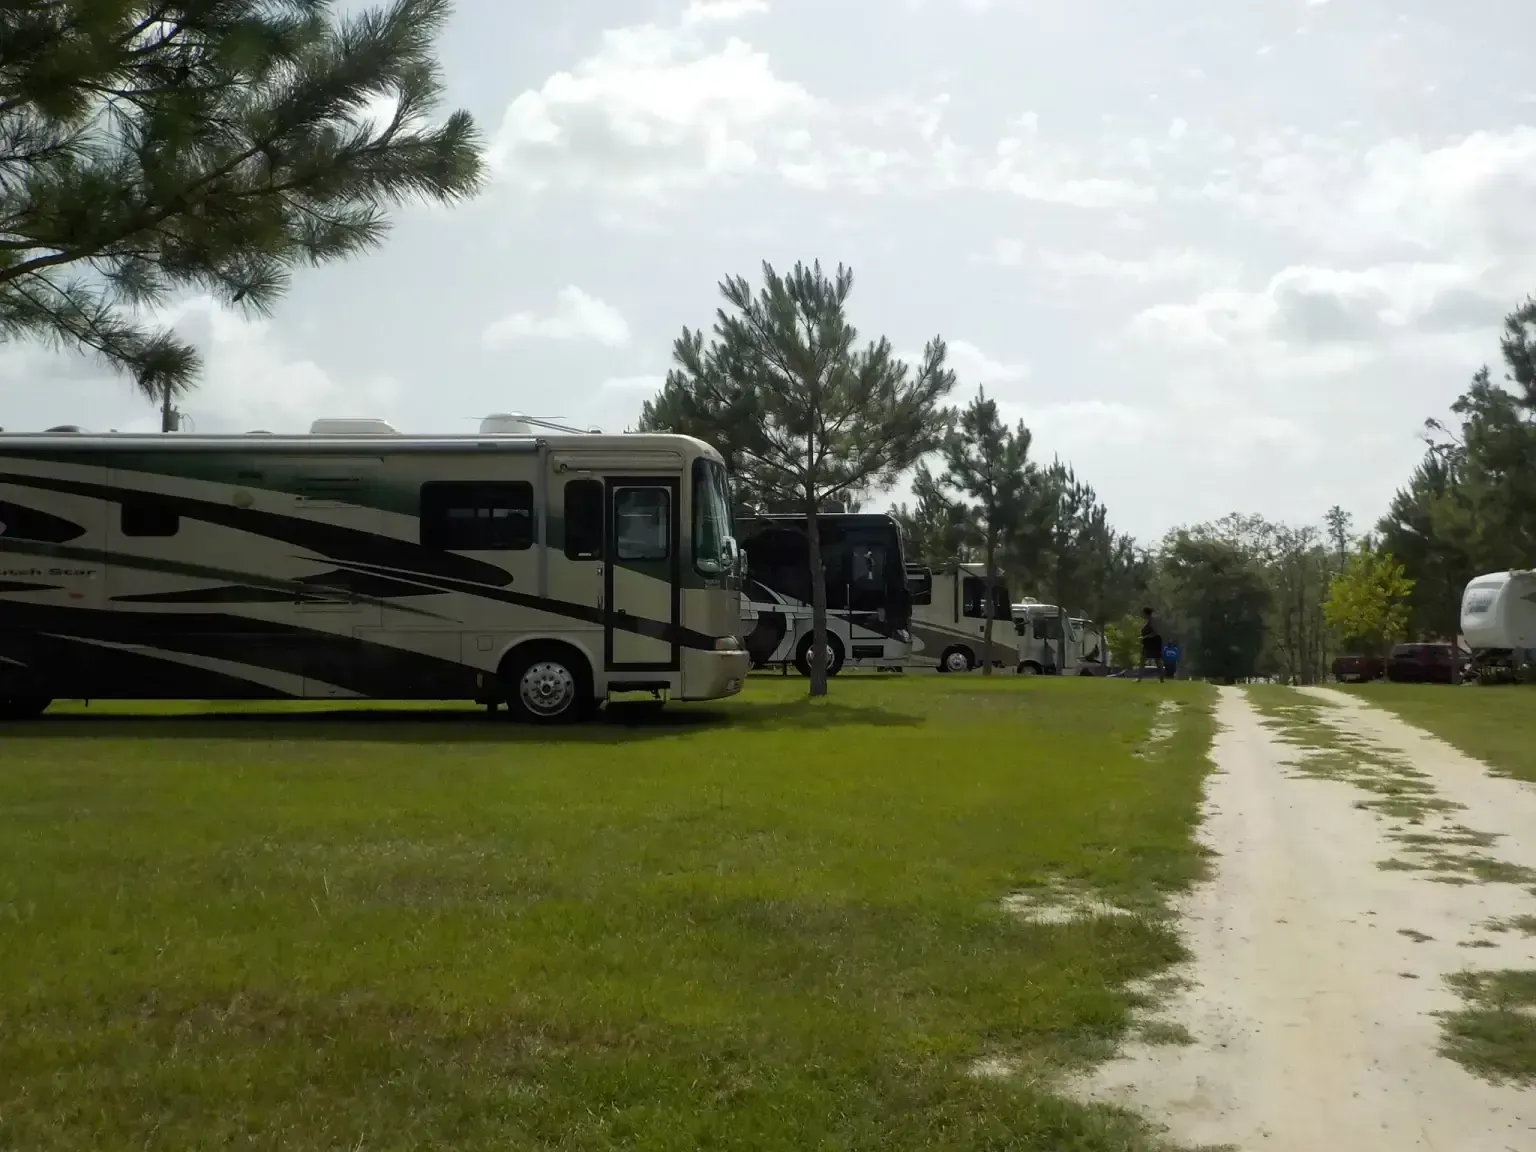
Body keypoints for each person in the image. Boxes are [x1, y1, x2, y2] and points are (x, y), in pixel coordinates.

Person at [1139, 606, 1164, 682]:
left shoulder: (1152, 621)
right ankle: (1139, 678)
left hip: (1154, 642)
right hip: (1148, 642)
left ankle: (1161, 678)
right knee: (1143, 659)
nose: (1142, 615)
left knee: (1157, 660)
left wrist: (1144, 637)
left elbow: (1155, 632)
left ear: (1146, 613)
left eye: (1143, 613)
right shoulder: (1148, 621)